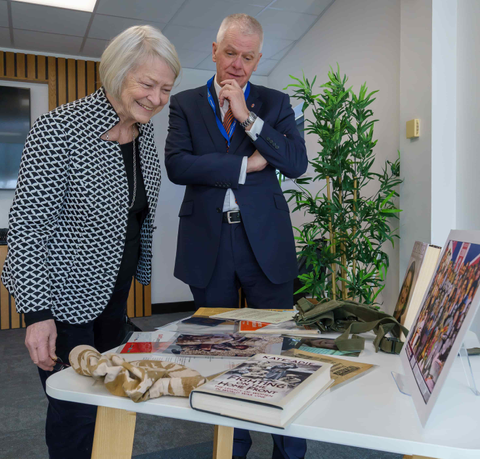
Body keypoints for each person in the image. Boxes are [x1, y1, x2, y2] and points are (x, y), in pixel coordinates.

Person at [1, 26, 180, 459]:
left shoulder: (143, 134)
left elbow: (132, 215)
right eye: (147, 84)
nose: (157, 98)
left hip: (114, 301)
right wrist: (37, 314)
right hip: (65, 304)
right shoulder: (59, 130)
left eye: (166, 89)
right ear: (117, 74)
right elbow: (28, 228)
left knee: (110, 401)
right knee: (74, 409)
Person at [164, 13, 308, 459]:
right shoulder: (185, 103)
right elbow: (178, 166)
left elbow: (295, 162)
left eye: (248, 57)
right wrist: (246, 166)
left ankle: (288, 449)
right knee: (217, 351)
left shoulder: (275, 102)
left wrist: (248, 118)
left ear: (258, 58)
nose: (238, 65)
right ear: (214, 50)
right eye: (230, 53)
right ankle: (233, 447)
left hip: (265, 241)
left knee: (279, 351)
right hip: (209, 243)